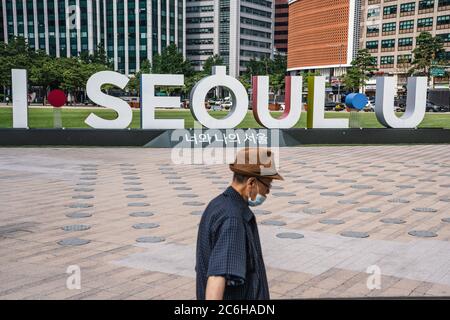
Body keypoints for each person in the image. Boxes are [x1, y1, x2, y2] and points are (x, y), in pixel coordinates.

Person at [196, 147, 283, 300]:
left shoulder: (218, 204)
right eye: (267, 185)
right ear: (252, 183)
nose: (268, 192)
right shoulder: (233, 219)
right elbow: (217, 277)